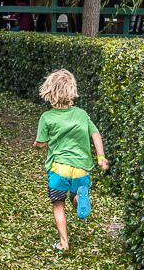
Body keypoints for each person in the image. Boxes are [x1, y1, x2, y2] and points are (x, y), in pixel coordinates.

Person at [33, 69, 109, 251]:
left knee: (58, 204)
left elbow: (41, 144)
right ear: (71, 91)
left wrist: (37, 144)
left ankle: (64, 243)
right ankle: (78, 199)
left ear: (50, 91)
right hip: (82, 168)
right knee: (76, 193)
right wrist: (101, 157)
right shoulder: (82, 114)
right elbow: (95, 134)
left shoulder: (47, 117)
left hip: (59, 169)